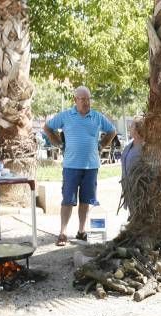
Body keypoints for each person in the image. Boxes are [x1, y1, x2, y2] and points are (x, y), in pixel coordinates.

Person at [44, 86, 116, 246]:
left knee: (86, 200)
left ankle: (81, 231)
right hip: (71, 165)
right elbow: (47, 128)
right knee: (68, 200)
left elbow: (112, 131)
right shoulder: (66, 115)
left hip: (91, 166)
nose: (86, 102)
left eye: (88, 99)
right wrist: (58, 143)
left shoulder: (97, 116)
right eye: (82, 99)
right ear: (75, 100)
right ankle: (63, 232)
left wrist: (102, 144)